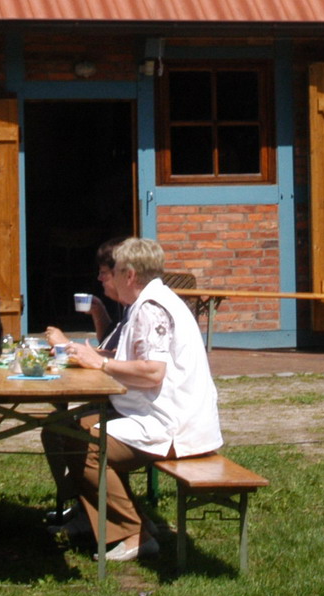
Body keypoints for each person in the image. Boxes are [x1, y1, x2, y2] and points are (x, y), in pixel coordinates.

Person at [42, 236, 221, 562]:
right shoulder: (149, 302)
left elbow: (153, 372)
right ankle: (94, 516)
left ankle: (133, 533)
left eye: (114, 272)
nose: (106, 279)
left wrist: (101, 364)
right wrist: (92, 355)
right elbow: (135, 357)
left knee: (85, 442)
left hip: (174, 426)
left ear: (130, 275)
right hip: (157, 414)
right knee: (62, 427)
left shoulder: (151, 309)